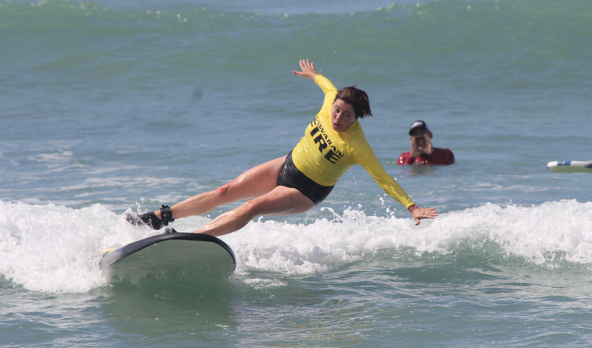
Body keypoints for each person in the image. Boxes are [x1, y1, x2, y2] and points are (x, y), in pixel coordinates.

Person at [128, 60, 437, 236]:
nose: (338, 117)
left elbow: (383, 177)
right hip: (287, 165)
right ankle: (159, 217)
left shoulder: (357, 145)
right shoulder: (331, 100)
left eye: (346, 115)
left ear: (358, 118)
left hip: (306, 191)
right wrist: (313, 75)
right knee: (225, 191)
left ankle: (191, 240)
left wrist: (411, 206)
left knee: (251, 207)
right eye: (337, 110)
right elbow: (327, 86)